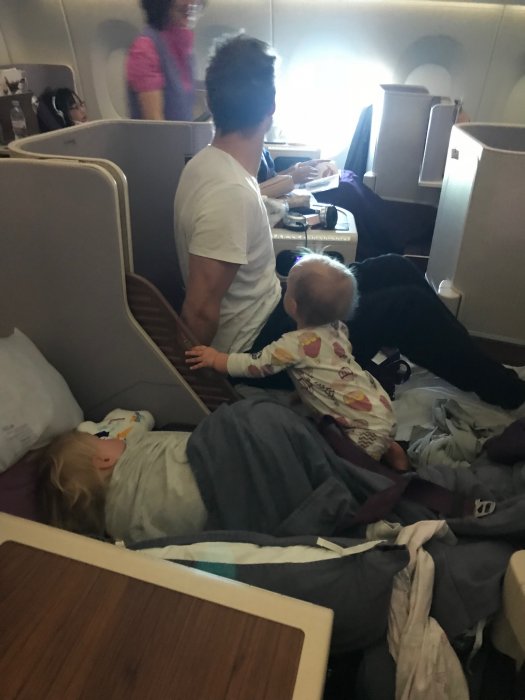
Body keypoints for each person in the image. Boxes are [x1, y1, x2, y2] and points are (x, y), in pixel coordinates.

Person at [174, 32, 525, 411]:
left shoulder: (205, 164)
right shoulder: (229, 193)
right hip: (261, 350)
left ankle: (480, 366)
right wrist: (203, 391)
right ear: (271, 105)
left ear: (211, 100)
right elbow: (200, 309)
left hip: (273, 310)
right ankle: (510, 393)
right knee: (406, 308)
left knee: (395, 267)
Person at [186, 253, 409, 470]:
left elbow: (256, 364)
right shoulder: (338, 328)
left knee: (350, 466)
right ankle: (391, 449)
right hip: (378, 406)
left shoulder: (294, 345)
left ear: (292, 305)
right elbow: (325, 368)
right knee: (379, 438)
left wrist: (217, 359)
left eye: (288, 287)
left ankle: (380, 477)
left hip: (360, 426)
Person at [127, 0, 206, 121]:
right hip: (160, 133)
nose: (191, 3)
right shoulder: (145, 49)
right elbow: (156, 124)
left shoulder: (183, 43)